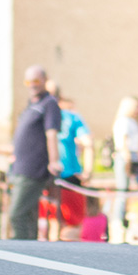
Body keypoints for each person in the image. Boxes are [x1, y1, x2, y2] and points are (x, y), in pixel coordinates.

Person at [7, 65, 61, 240]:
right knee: (29, 215)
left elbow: (51, 133)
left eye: (36, 80)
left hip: (34, 169)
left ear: (45, 80)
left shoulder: (49, 104)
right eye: (28, 81)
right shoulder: (32, 105)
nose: (32, 85)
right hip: (20, 168)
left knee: (17, 214)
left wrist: (54, 161)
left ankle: (20, 248)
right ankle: (30, 250)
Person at [44, 80, 93, 241]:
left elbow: (88, 143)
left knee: (67, 225)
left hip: (67, 177)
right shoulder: (41, 117)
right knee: (58, 225)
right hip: (49, 178)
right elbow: (88, 144)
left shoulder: (70, 118)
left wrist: (87, 171)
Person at [109, 95, 138, 239]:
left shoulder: (133, 122)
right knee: (122, 190)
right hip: (126, 156)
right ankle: (117, 222)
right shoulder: (123, 121)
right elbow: (123, 142)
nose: (137, 110)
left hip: (133, 156)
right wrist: (128, 160)